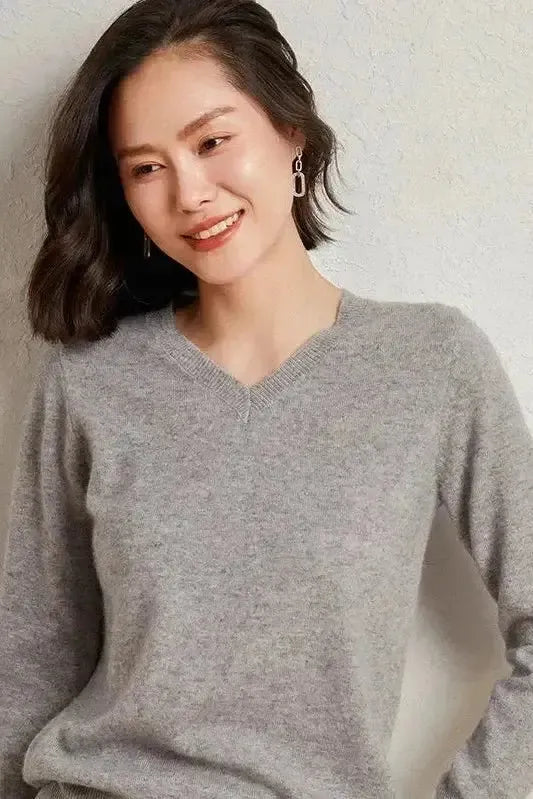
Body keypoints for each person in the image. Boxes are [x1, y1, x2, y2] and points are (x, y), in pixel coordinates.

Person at [1, 1, 532, 798]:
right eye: (145, 168)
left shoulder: (429, 363)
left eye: (212, 142)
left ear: (291, 132)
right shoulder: (90, 383)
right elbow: (31, 662)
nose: (189, 193)